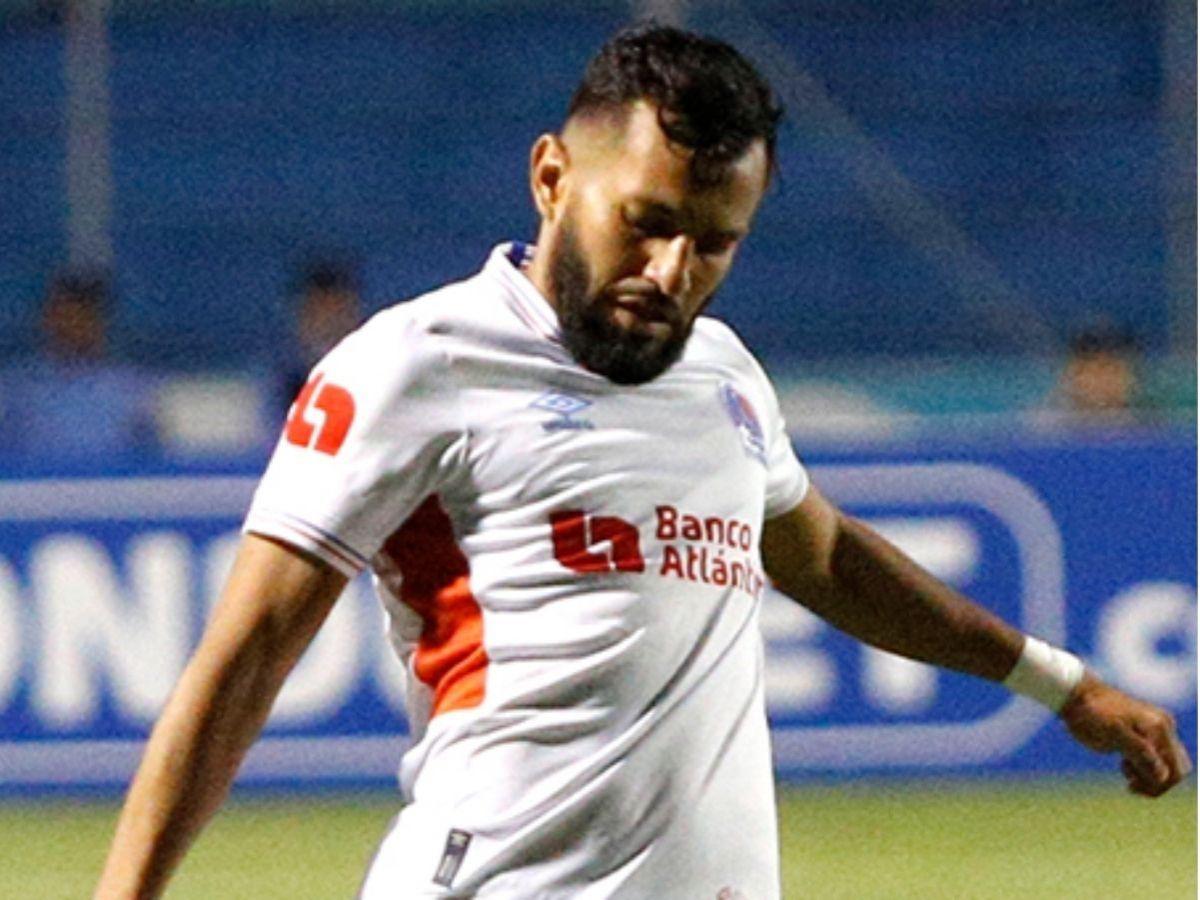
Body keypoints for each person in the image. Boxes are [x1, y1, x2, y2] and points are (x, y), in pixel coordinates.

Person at [96, 25, 1189, 899]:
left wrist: (1062, 683)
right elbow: (241, 662)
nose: (671, 271)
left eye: (714, 241)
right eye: (646, 222)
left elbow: (826, 560)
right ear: (551, 177)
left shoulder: (722, 375)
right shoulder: (411, 368)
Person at [0, 267, 158, 463]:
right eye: (63, 316)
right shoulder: (15, 389)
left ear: (100, 322)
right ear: (47, 319)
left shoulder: (135, 391)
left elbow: (151, 465)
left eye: (82, 317)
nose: (71, 326)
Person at [275, 259, 364, 418]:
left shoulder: (379, 370)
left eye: (338, 312)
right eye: (320, 313)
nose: (329, 323)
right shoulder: (280, 378)